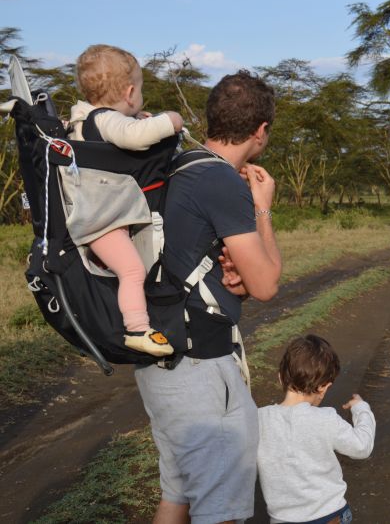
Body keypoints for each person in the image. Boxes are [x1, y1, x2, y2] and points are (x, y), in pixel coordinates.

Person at [134, 69, 282, 524]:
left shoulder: (178, 166)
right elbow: (266, 284)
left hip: (162, 357)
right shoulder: (220, 181)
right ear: (260, 131)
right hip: (199, 365)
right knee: (220, 510)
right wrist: (262, 207)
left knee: (177, 495)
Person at [69, 44, 184, 356]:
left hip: (98, 217)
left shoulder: (82, 120)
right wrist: (169, 120)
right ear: (131, 92)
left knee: (127, 270)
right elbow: (133, 137)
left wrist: (137, 119)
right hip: (101, 223)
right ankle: (137, 329)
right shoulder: (104, 119)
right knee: (132, 271)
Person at [258, 335, 376, 524]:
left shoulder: (258, 419)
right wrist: (361, 409)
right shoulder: (325, 418)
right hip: (330, 516)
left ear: (280, 378)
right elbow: (361, 447)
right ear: (324, 387)